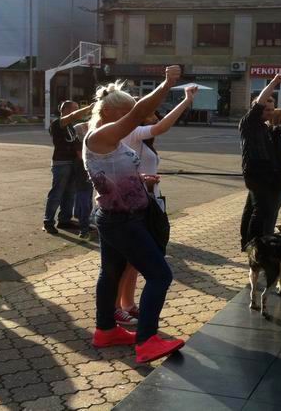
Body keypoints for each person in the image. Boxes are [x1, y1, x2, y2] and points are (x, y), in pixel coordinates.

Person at [85, 66, 184, 364]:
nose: (135, 121)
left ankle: (106, 331)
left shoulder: (109, 139)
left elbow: (111, 173)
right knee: (160, 275)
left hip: (114, 216)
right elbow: (141, 109)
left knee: (111, 273)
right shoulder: (100, 134)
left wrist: (141, 180)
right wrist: (167, 84)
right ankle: (147, 341)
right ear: (111, 114)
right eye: (128, 115)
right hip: (122, 221)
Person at [114, 86, 198, 327]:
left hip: (149, 201)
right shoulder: (131, 132)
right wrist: (185, 101)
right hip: (134, 202)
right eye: (151, 112)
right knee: (127, 260)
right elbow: (162, 126)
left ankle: (127, 304)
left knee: (134, 262)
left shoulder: (143, 138)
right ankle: (117, 307)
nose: (156, 116)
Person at [239, 74, 281, 250]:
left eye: (272, 109)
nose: (271, 112)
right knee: (261, 210)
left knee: (251, 209)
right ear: (257, 109)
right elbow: (260, 102)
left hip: (266, 174)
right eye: (267, 110)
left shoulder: (266, 127)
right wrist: (274, 83)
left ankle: (246, 242)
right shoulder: (249, 123)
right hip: (255, 173)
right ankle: (255, 246)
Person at [42, 100, 93, 235]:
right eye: (75, 109)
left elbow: (76, 143)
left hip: (73, 163)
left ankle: (64, 220)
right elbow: (71, 117)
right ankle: (48, 222)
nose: (77, 112)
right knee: (57, 193)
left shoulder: (71, 126)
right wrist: (89, 107)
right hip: (61, 163)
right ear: (66, 110)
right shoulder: (57, 123)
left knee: (70, 193)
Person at [72, 120, 94, 240]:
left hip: (85, 171)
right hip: (84, 171)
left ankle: (83, 222)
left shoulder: (85, 141)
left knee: (85, 197)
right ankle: (84, 228)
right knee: (84, 199)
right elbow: (82, 157)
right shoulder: (81, 143)